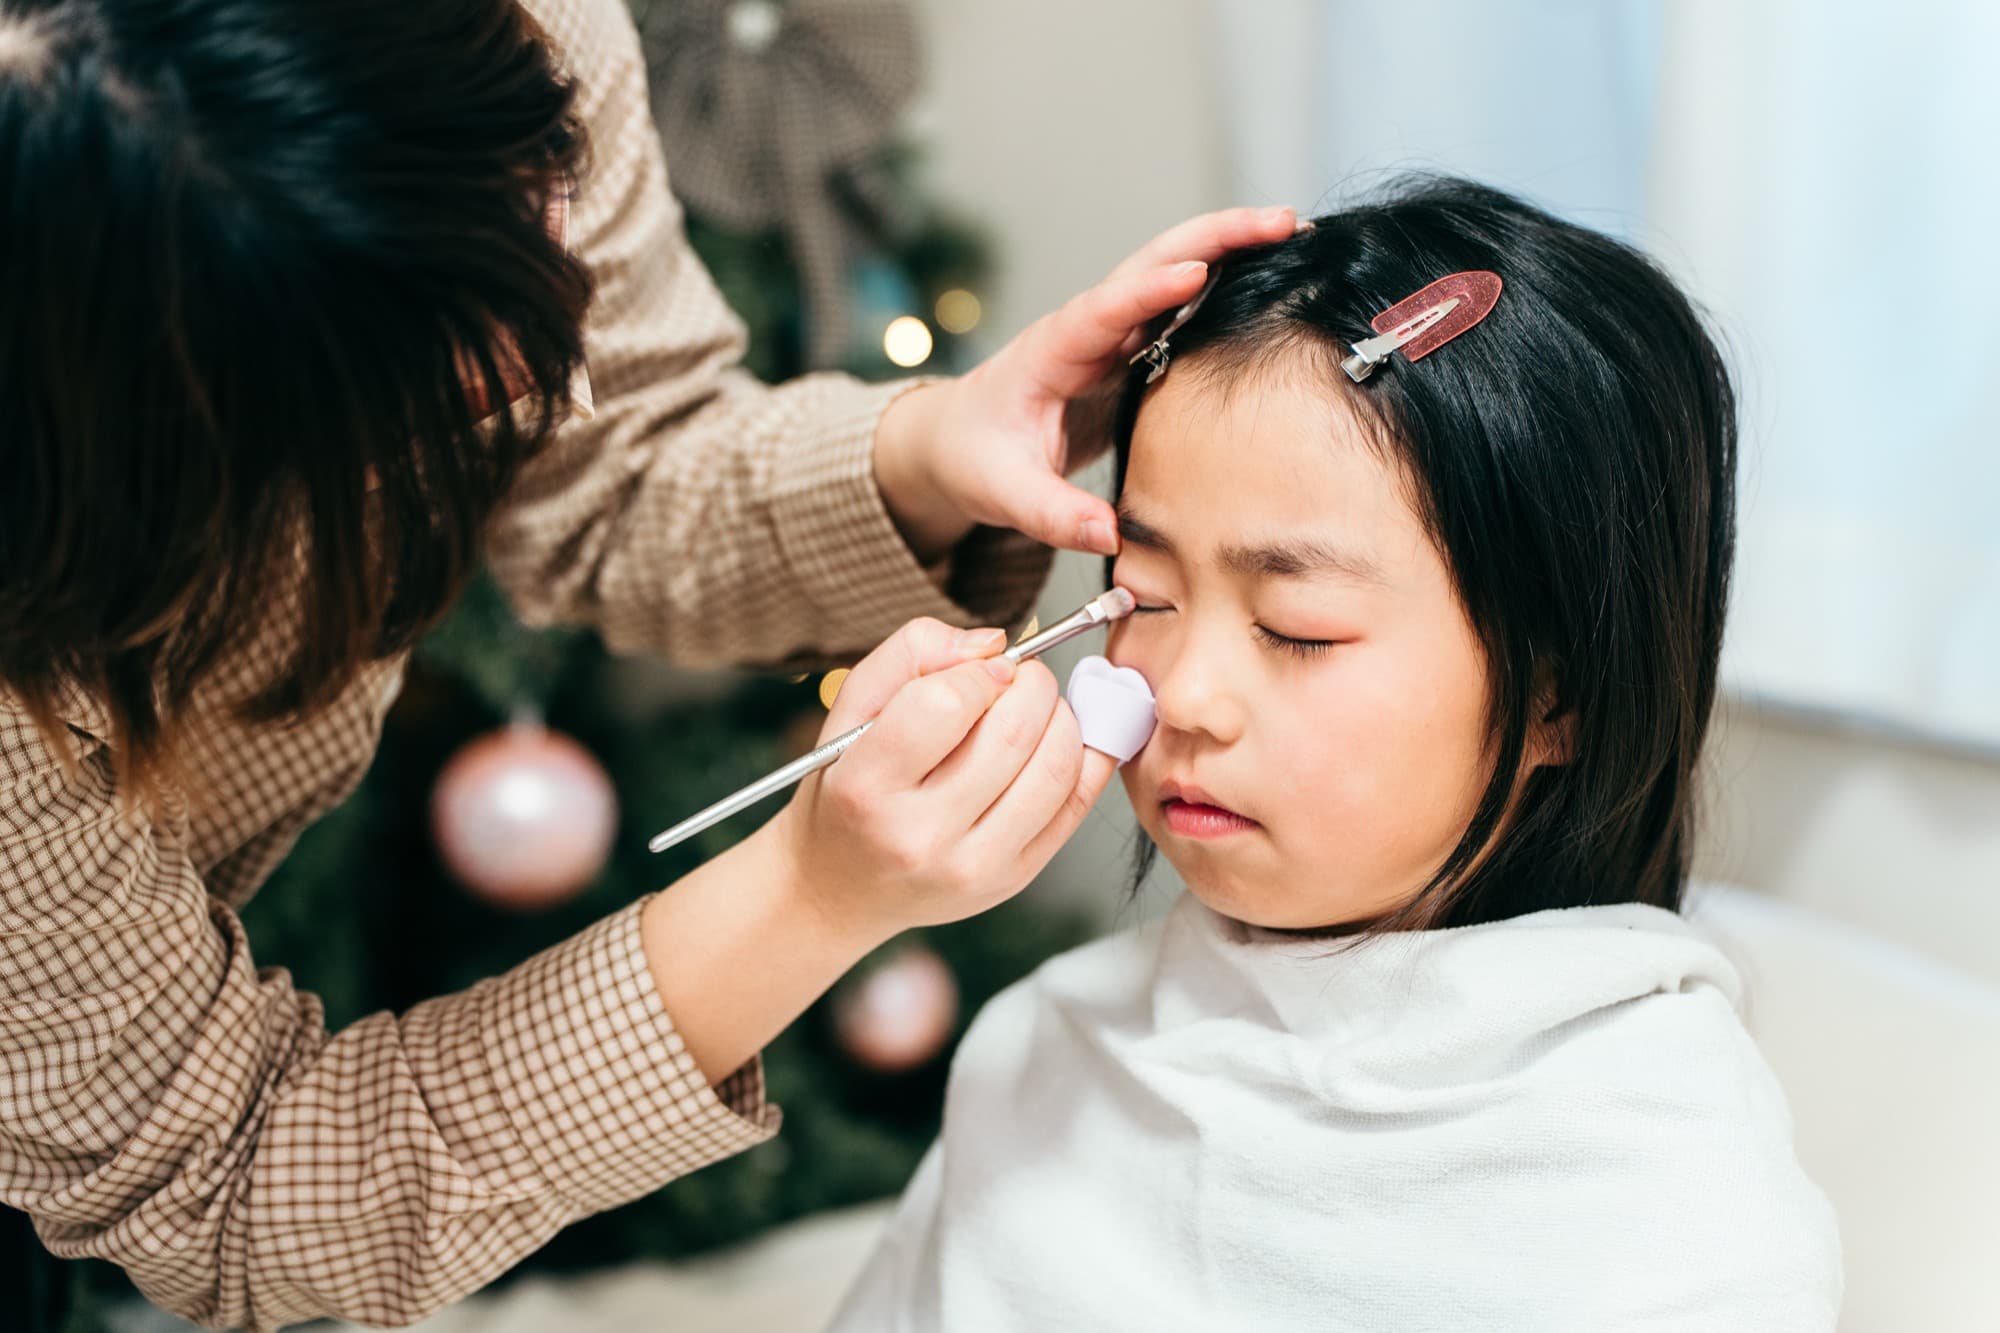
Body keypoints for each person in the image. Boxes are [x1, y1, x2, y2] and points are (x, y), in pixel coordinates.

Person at [0, 0, 1299, 1327]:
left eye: (1301, 623)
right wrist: (809, 892)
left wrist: (931, 448)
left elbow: (618, 458)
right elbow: (235, 1180)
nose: (558, 370)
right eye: (456, 384)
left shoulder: (515, 35)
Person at [828, 177, 1845, 1331]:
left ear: (1558, 692)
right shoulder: (1042, 1049)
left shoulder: (1672, 1212)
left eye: (1297, 628)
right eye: (1143, 595)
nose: (1183, 697)